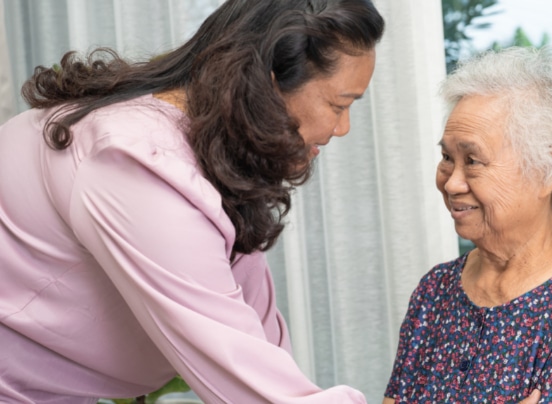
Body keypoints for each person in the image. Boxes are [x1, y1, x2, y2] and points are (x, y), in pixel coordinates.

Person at [0, 0, 383, 403]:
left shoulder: (211, 162)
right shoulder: (134, 165)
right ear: (267, 84)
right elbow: (249, 383)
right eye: (338, 105)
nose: (342, 128)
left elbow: (264, 353)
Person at [383, 46, 552, 403]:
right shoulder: (435, 293)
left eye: (473, 160)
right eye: (447, 157)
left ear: (546, 171)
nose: (451, 182)